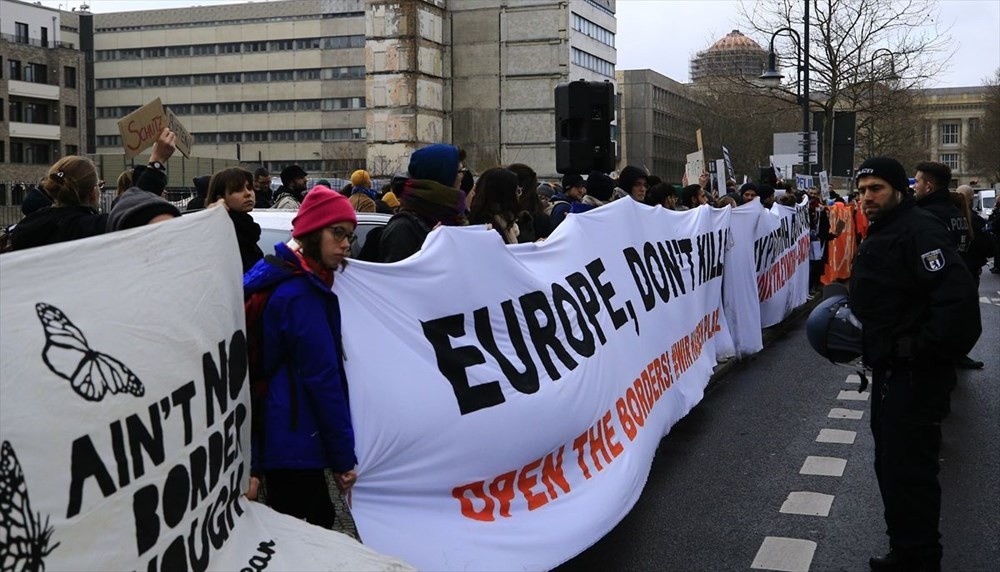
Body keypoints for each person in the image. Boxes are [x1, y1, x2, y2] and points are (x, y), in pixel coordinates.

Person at [851, 157, 980, 572]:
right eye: (862, 190)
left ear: (899, 190)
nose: (866, 198)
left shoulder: (919, 231)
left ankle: (920, 560)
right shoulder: (891, 228)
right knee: (891, 467)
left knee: (909, 473)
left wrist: (915, 350)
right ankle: (906, 551)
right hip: (893, 371)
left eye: (876, 189)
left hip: (913, 377)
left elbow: (959, 309)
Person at [243, 186, 358, 528]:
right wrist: (342, 459)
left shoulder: (285, 277)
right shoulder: (300, 295)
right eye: (337, 233)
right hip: (293, 439)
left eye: (349, 236)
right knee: (312, 531)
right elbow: (323, 380)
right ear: (311, 233)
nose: (346, 244)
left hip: (282, 435)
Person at [11, 128, 175, 251]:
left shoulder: (27, 226)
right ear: (92, 192)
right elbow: (132, 213)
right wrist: (156, 161)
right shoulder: (84, 228)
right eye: (99, 185)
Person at [913, 162, 982, 370]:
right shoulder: (956, 213)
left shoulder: (926, 216)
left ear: (928, 186)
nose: (914, 186)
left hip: (931, 295)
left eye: (917, 181)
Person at [378, 144, 468, 262]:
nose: (462, 177)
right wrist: (430, 246)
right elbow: (396, 277)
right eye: (460, 171)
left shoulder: (453, 217)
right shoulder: (402, 228)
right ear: (443, 176)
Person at [206, 167, 264, 273]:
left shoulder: (247, 229)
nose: (248, 193)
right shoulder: (221, 232)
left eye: (249, 187)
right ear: (220, 198)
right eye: (238, 190)